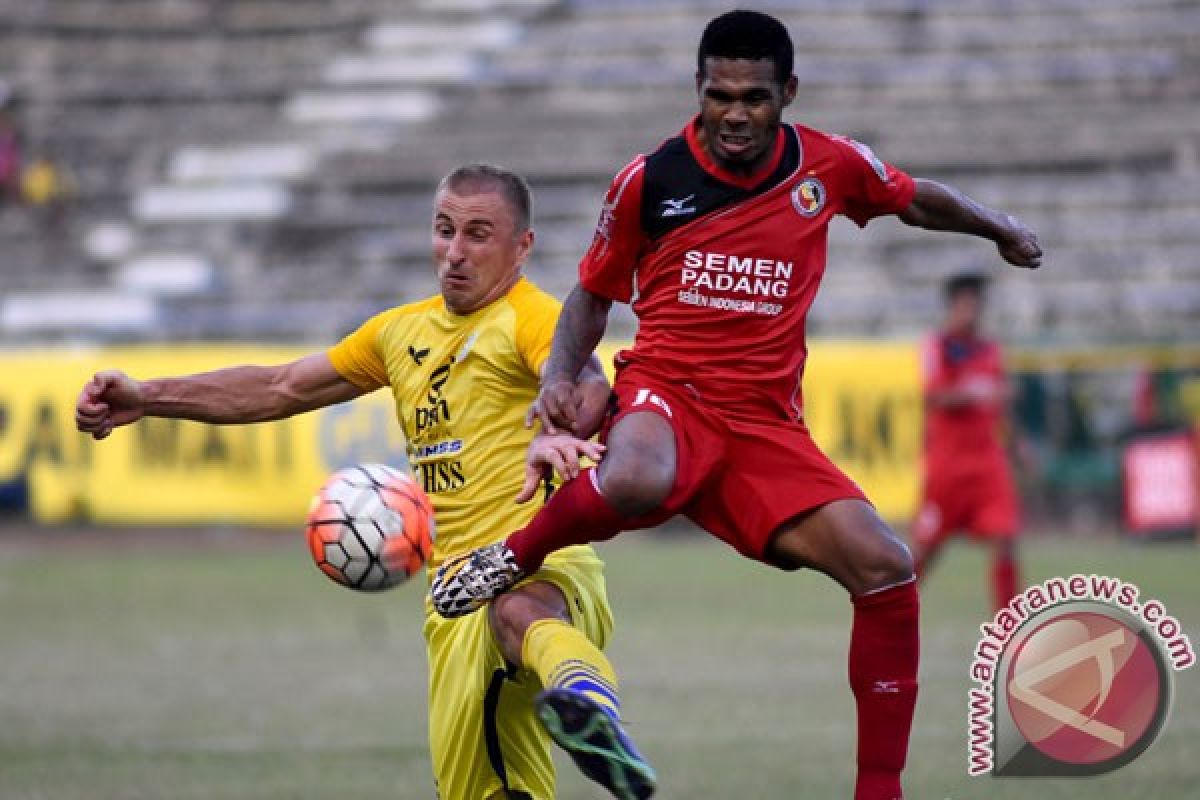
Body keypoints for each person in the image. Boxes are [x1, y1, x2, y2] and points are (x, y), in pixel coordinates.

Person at [431, 12, 1042, 800]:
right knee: (639, 474)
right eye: (719, 95)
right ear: (699, 90)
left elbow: (913, 198)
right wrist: (562, 374)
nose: (735, 114)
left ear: (786, 92)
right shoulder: (650, 179)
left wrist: (999, 229)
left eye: (754, 96)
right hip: (667, 389)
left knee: (886, 568)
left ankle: (879, 790)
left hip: (764, 425)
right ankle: (511, 557)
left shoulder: (829, 165)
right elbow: (591, 291)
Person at [75, 164, 657, 800]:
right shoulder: (398, 333)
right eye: (444, 230)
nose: (456, 252)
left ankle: (590, 706)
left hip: (541, 559)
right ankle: (579, 705)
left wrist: (561, 414)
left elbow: (579, 375)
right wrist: (148, 396)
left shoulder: (530, 318)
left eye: (478, 234)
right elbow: (280, 386)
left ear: (523, 247)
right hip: (453, 597)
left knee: (519, 609)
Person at [912, 273, 1022, 611]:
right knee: (927, 547)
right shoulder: (937, 346)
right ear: (952, 307)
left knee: (1005, 539)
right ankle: (895, 606)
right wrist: (973, 392)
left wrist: (1018, 444)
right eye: (964, 305)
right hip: (948, 465)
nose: (970, 312)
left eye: (975, 305)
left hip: (988, 462)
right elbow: (933, 397)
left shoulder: (989, 349)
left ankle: (1010, 628)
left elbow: (1000, 401)